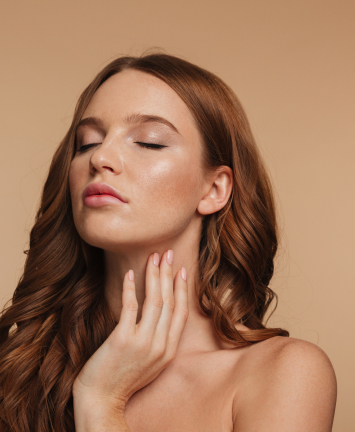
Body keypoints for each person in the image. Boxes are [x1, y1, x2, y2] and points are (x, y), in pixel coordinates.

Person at [0, 53, 336, 432]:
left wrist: (101, 402)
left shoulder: (283, 374)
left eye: (149, 142)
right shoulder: (17, 368)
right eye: (86, 143)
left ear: (214, 189)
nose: (102, 157)